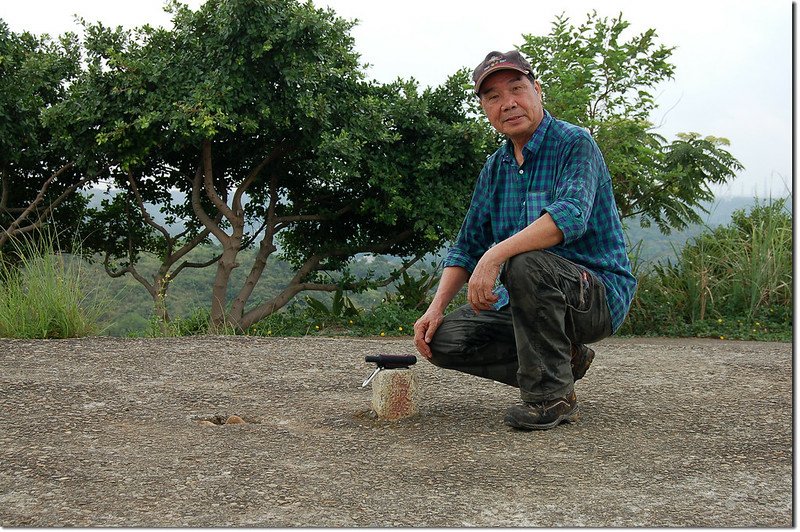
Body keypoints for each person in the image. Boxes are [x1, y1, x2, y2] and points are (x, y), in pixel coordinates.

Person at [413, 50, 637, 431]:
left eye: (516, 89)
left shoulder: (574, 143)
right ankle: (564, 359)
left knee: (525, 261)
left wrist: (495, 256)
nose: (508, 103)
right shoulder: (495, 167)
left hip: (595, 293)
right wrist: (434, 309)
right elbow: (467, 245)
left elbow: (570, 216)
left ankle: (551, 398)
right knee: (443, 341)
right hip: (526, 299)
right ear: (485, 108)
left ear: (537, 90)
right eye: (494, 97)